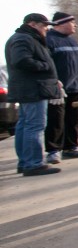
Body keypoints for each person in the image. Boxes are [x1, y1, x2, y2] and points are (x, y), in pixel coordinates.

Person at [5, 13, 62, 176]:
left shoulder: (23, 37)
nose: (46, 28)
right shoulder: (24, 39)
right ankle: (33, 163)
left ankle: (25, 162)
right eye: (44, 25)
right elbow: (21, 60)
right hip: (33, 89)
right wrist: (45, 66)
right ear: (32, 24)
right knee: (34, 125)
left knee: (25, 125)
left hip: (30, 88)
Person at [44, 12, 78, 163]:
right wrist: (53, 83)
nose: (75, 25)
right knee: (56, 120)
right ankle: (53, 150)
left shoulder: (72, 41)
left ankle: (71, 147)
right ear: (60, 24)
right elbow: (48, 65)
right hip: (59, 88)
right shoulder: (49, 41)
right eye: (72, 22)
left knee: (74, 119)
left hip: (76, 86)